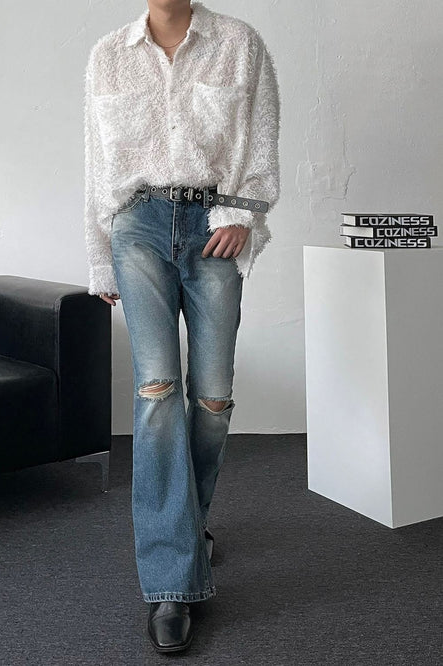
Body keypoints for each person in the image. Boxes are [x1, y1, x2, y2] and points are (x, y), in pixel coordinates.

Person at [84, 0, 280, 654]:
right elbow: (96, 166)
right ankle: (171, 580)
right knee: (157, 392)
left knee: (213, 400)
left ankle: (187, 524)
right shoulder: (108, 55)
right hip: (137, 228)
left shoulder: (239, 44)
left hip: (213, 227)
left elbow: (259, 139)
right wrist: (98, 257)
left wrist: (242, 215)